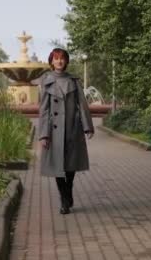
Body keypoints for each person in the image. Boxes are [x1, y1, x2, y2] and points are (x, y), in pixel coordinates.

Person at [38, 48, 94, 214]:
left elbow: (82, 105)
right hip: (54, 131)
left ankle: (68, 191)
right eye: (56, 59)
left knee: (70, 167)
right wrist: (44, 134)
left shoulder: (74, 80)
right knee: (57, 166)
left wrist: (87, 127)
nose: (59, 61)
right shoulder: (46, 80)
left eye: (62, 58)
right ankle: (64, 200)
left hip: (72, 129)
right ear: (51, 61)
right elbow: (44, 110)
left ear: (66, 61)